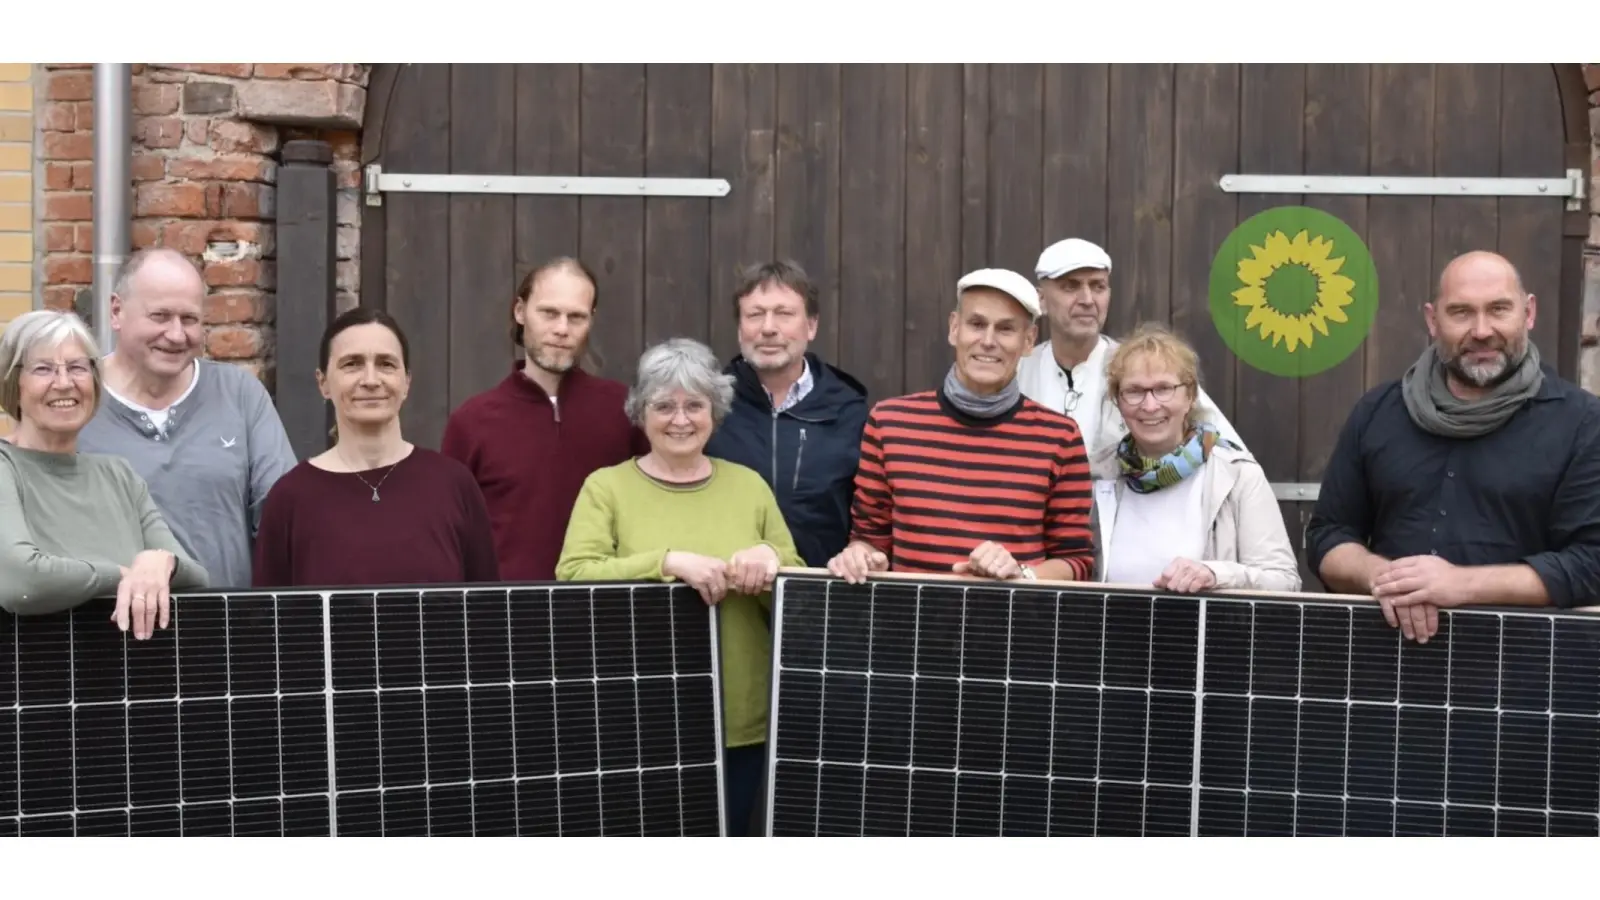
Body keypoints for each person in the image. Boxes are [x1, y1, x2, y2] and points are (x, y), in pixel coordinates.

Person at [555, 337, 803, 837]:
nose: (680, 419)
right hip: (639, 716)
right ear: (639, 412)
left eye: (695, 404)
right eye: (663, 405)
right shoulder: (607, 488)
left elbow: (797, 590)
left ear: (716, 410)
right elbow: (575, 574)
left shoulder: (749, 486)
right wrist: (666, 562)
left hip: (741, 716)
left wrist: (770, 560)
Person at [1307, 250, 1600, 643]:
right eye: (1461, 312)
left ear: (1528, 313)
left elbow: (1591, 563)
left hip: (1523, 672)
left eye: (1499, 309)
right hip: (1385, 665)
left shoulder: (1581, 422)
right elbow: (1328, 535)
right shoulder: (1378, 412)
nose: (1481, 330)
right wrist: (1391, 580)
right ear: (1432, 320)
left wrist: (1460, 585)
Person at [827, 268, 1096, 584]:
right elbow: (869, 538)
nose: (988, 341)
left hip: (1015, 627)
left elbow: (1076, 561)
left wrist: (1022, 573)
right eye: (977, 324)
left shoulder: (1060, 438)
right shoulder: (889, 424)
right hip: (911, 626)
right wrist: (859, 555)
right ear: (955, 328)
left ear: (1028, 341)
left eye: (1006, 329)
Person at [76, 247, 298, 589]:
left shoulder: (238, 394)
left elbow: (284, 520)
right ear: (117, 311)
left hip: (227, 628)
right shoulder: (76, 401)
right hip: (109, 630)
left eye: (190, 319)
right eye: (160, 316)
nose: (177, 334)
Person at [253, 307, 499, 588]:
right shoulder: (290, 498)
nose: (371, 380)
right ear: (323, 383)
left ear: (406, 382)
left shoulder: (455, 485)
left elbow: (486, 615)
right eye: (352, 364)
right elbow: (271, 624)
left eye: (386, 364)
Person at [0, 309, 208, 638]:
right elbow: (21, 582)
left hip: (130, 681)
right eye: (43, 369)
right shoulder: (4, 468)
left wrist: (162, 561)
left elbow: (196, 578)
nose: (64, 383)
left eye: (78, 368)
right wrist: (126, 574)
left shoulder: (118, 475)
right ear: (14, 383)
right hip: (36, 682)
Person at [442, 257, 647, 582]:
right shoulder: (472, 422)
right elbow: (450, 535)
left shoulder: (626, 409)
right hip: (508, 615)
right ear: (520, 311)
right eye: (549, 313)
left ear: (591, 320)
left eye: (576, 317)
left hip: (607, 610)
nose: (562, 329)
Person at [1091, 323, 1300, 593]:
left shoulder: (1237, 476)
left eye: (1164, 388)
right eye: (1134, 391)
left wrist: (1216, 574)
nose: (1150, 405)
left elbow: (1284, 581)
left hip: (1210, 634)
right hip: (1115, 633)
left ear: (1190, 395)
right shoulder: (1094, 475)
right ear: (1117, 401)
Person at [1016, 237, 1244, 461]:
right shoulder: (1018, 371)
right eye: (1070, 286)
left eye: (1098, 286)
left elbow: (1232, 452)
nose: (1087, 299)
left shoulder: (1144, 366)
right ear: (1042, 300)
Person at [704, 260, 868, 567]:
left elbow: (870, 516)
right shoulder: (709, 406)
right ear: (740, 328)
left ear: (811, 325)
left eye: (784, 314)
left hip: (822, 593)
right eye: (755, 315)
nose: (768, 328)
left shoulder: (850, 411)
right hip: (730, 593)